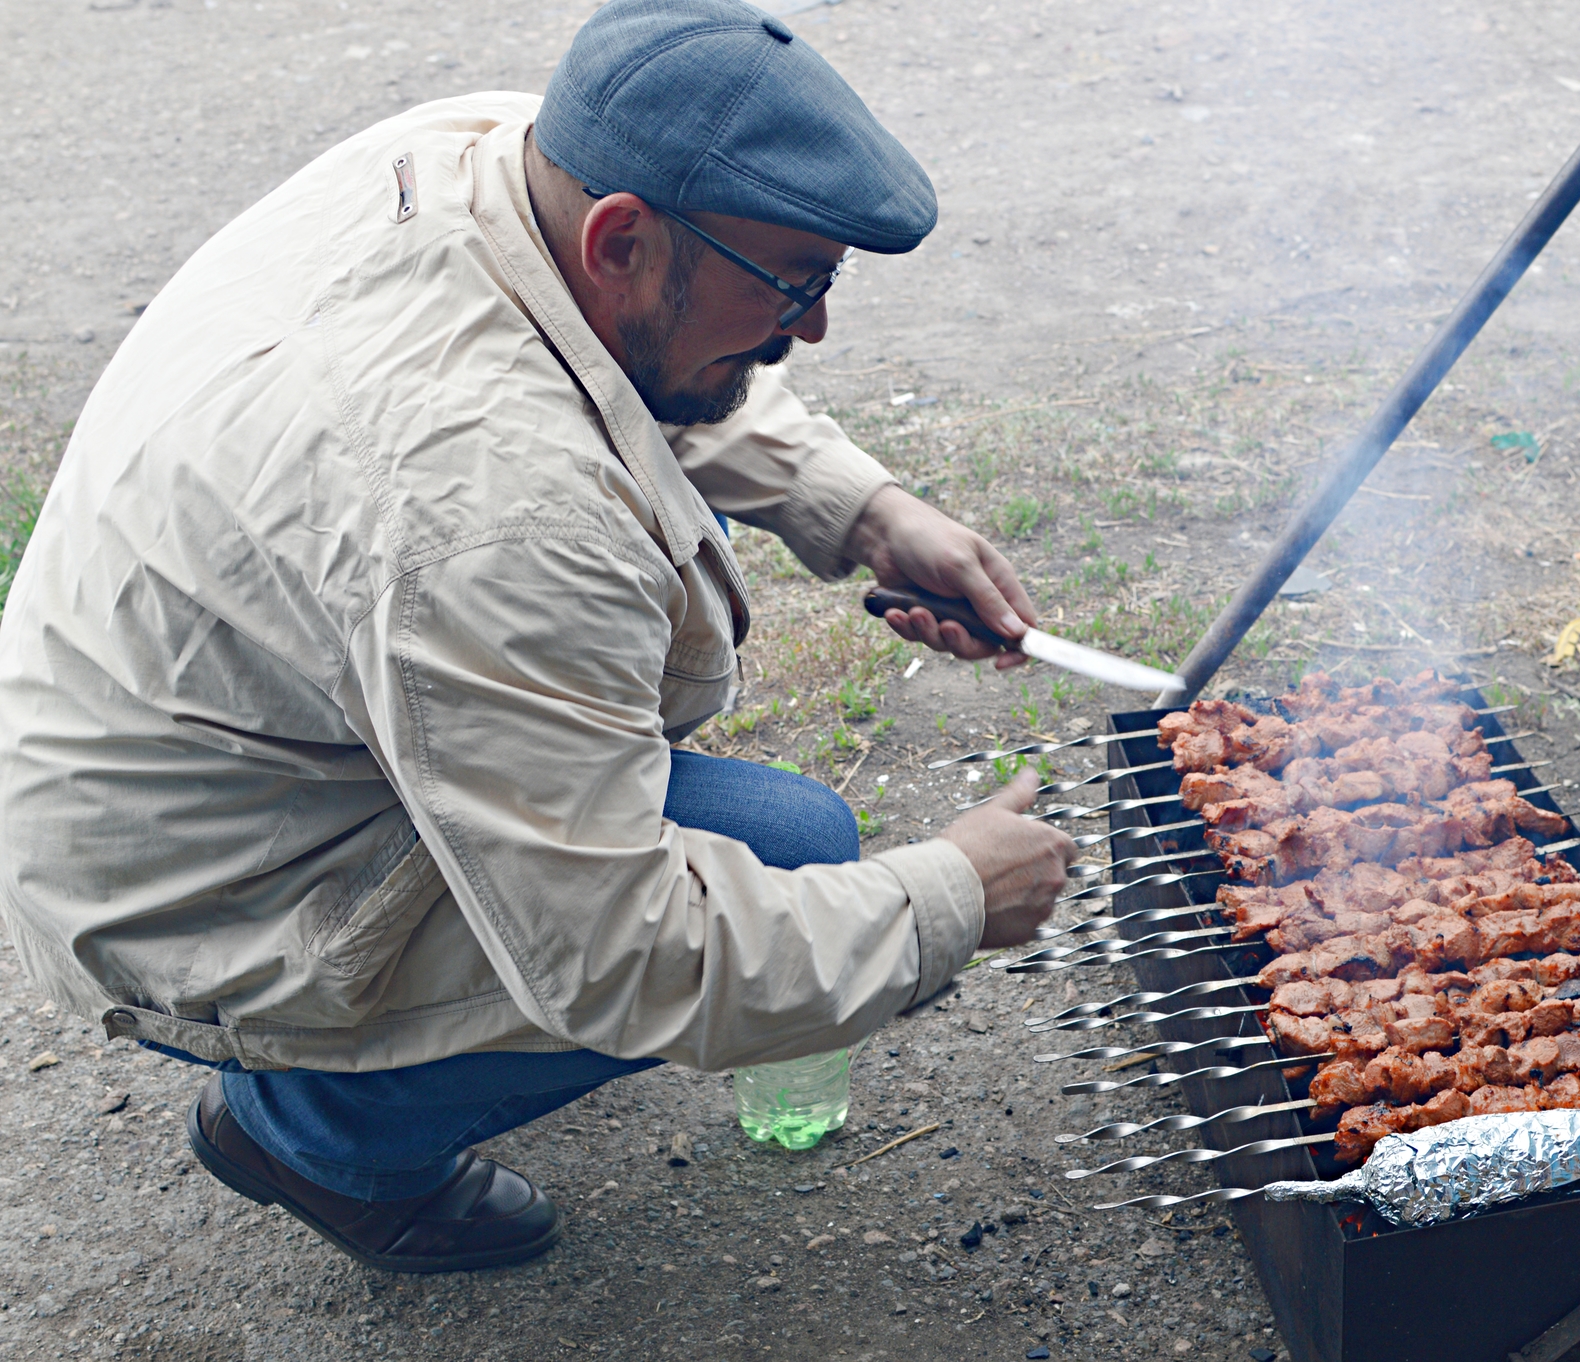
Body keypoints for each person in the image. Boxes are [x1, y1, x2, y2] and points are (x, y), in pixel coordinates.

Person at [0, 0, 1077, 1273]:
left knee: (788, 852)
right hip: (195, 887)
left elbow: (604, 355)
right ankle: (310, 1132)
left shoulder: (500, 156)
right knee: (791, 871)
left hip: (233, 745)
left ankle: (380, 1066)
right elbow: (617, 956)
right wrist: (951, 897)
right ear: (622, 235)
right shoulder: (489, 513)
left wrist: (860, 507)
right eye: (796, 282)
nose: (818, 326)